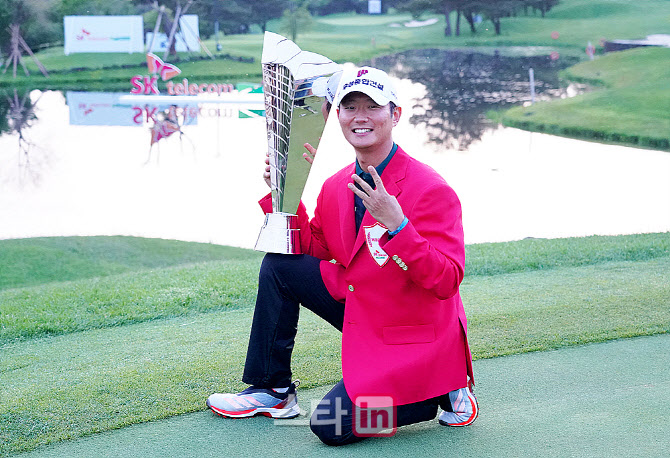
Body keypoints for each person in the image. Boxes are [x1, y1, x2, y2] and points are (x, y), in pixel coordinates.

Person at [207, 66, 477, 445]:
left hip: (412, 334)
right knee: (280, 266)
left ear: (395, 114)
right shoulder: (335, 186)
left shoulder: (430, 189)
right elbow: (312, 251)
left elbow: (446, 281)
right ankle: (272, 390)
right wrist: (284, 191)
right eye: (350, 107)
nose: (360, 116)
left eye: (372, 106)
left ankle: (432, 396)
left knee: (330, 425)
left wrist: (398, 225)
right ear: (339, 116)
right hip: (363, 306)